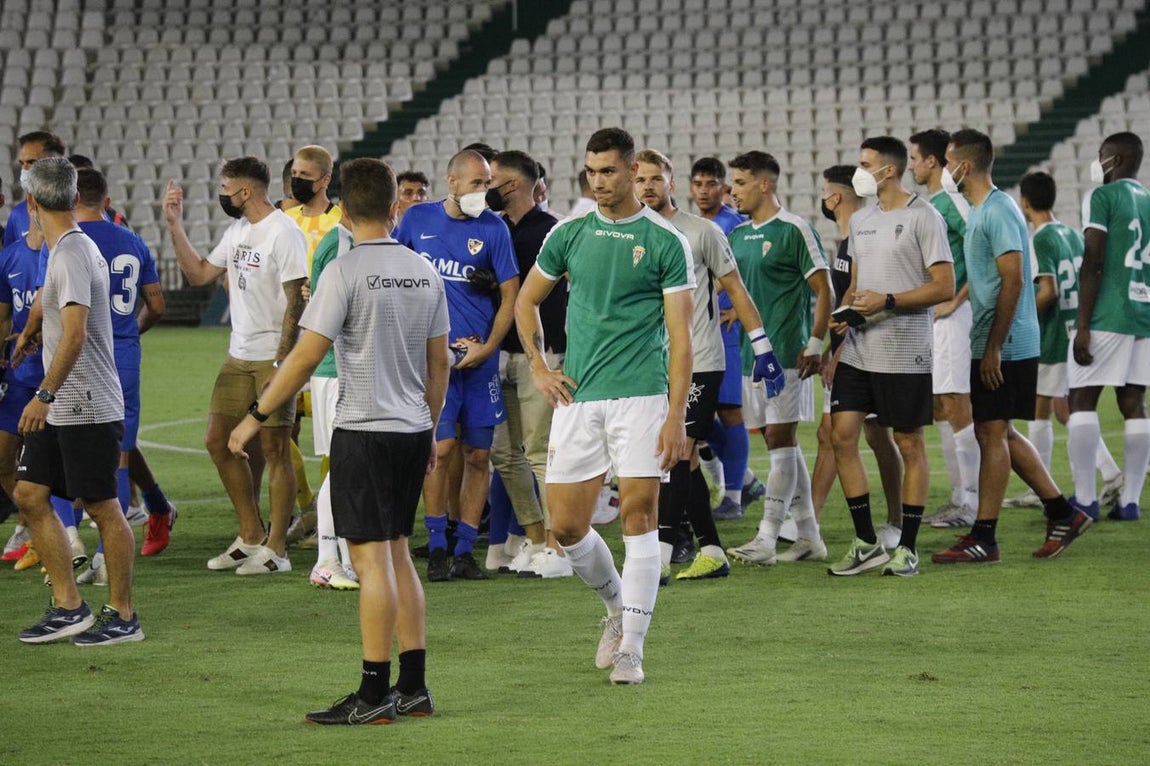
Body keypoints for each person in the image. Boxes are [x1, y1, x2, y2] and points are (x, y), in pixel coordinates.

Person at [228, 158, 448, 725]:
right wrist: (427, 426)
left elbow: (304, 357)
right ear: (395, 206)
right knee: (398, 554)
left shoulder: (345, 272)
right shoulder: (425, 272)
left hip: (364, 431)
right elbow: (438, 366)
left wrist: (255, 415)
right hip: (410, 430)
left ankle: (373, 695)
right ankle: (415, 687)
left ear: (344, 211)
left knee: (371, 560)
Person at [514, 127, 694, 685]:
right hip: (580, 397)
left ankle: (633, 649)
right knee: (565, 528)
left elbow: (681, 339)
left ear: (632, 170)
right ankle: (617, 609)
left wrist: (675, 415)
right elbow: (526, 301)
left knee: (640, 517)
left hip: (642, 395)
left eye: (609, 171)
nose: (598, 182)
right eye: (591, 172)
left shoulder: (666, 241)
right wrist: (540, 366)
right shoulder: (568, 234)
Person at [932, 129, 1091, 564]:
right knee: (998, 430)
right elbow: (988, 278)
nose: (946, 170)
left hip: (1006, 340)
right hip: (998, 337)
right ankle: (1061, 512)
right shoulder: (988, 210)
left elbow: (1014, 278)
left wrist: (994, 347)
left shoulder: (997, 211)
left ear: (964, 165)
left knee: (992, 432)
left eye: (948, 161)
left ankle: (986, 535)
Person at [634, 148, 783, 582]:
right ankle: (712, 549)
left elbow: (735, 288)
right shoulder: (632, 235)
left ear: (671, 183)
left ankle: (660, 554)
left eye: (655, 178)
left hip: (701, 358)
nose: (647, 186)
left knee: (678, 451)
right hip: (651, 365)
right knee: (685, 460)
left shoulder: (702, 232)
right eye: (640, 179)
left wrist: (761, 346)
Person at [13, 157, 140, 645]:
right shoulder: (69, 246)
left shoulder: (69, 252)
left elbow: (76, 334)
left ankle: (124, 616)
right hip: (67, 404)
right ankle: (69, 607)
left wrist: (44, 393)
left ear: (32, 203)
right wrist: (31, 328)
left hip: (83, 402)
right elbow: (57, 301)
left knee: (102, 505)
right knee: (29, 494)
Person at [163, 157, 307, 575]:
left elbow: (296, 301)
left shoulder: (284, 233)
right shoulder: (239, 229)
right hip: (238, 354)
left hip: (271, 357)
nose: (222, 195)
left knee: (277, 449)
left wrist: (283, 363)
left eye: (226, 188)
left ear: (245, 192)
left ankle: (277, 550)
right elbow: (200, 275)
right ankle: (250, 534)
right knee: (216, 440)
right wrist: (175, 225)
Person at [827, 136, 955, 578]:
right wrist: (843, 317)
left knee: (908, 443)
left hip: (905, 353)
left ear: (889, 170)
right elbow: (858, 286)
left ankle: (908, 547)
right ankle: (865, 541)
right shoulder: (861, 221)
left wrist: (889, 300)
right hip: (861, 351)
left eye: (865, 164)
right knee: (842, 435)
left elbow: (944, 287)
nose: (859, 170)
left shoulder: (925, 217)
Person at [395, 150, 520, 582]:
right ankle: (435, 545)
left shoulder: (495, 228)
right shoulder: (416, 221)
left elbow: (511, 296)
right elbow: (394, 278)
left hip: (480, 365)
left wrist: (486, 349)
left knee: (478, 453)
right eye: (476, 184)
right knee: (440, 451)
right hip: (434, 364)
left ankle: (465, 549)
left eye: (487, 184)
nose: (483, 192)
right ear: (452, 182)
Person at [724, 151, 832, 567]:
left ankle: (767, 537)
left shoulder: (794, 230)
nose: (733, 191)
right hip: (752, 354)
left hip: (787, 352)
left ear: (764, 184)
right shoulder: (738, 236)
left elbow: (824, 290)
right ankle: (809, 537)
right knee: (777, 441)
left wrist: (816, 343)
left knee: (780, 440)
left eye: (740, 182)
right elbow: (747, 290)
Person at [70, 169, 171, 586]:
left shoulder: (69, 243)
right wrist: (129, 331)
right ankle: (100, 553)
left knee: (71, 444)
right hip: (123, 355)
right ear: (107, 200)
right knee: (120, 452)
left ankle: (77, 544)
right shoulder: (131, 241)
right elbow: (158, 305)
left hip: (78, 354)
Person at [810, 166, 905, 552]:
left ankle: (894, 523)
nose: (822, 199)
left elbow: (861, 298)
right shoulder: (852, 237)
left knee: (883, 437)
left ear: (834, 197)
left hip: (871, 352)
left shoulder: (862, 238)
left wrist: (838, 355)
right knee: (840, 434)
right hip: (852, 351)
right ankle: (809, 523)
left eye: (824, 192)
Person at [1015, 172, 1124, 508]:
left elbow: (1048, 291)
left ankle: (1109, 472)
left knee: (1061, 410)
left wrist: (1019, 316)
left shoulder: (1041, 239)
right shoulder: (1073, 235)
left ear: (1025, 203)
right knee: (1043, 407)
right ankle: (1041, 484)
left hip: (1053, 335)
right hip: (1075, 328)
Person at [485, 150, 569, 577]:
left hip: (543, 354)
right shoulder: (491, 228)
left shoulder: (552, 231)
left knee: (540, 451)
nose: (485, 187)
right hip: (498, 355)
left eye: (491, 180)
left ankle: (558, 544)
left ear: (512, 185)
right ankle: (536, 538)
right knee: (503, 452)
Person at [1066, 131, 1150, 522]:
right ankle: (1130, 501)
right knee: (1134, 403)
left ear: (1113, 160)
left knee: (1081, 399)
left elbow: (1094, 260)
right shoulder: (1149, 201)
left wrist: (1083, 325)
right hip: (1144, 314)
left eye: (1101, 156)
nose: (1097, 164)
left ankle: (1085, 500)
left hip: (1109, 313)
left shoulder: (1101, 197)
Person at [908, 129, 980, 529]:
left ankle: (969, 501)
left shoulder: (952, 202)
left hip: (955, 317)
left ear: (932, 162)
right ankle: (959, 496)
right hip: (935, 318)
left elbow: (982, 247)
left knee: (956, 406)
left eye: (916, 159)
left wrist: (960, 299)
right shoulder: (929, 204)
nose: (912, 167)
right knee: (940, 406)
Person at [688, 156, 762, 519]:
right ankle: (745, 479)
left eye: (711, 183)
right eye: (698, 184)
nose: (704, 191)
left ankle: (734, 496)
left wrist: (734, 306)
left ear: (724, 187)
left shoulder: (733, 224)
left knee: (729, 410)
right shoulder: (691, 226)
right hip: (697, 331)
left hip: (727, 333)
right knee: (697, 418)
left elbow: (746, 272)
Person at [283, 145, 343, 538]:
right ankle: (306, 503)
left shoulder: (341, 223)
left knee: (331, 435)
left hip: (326, 345)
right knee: (280, 429)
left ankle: (325, 513)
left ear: (324, 180)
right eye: (294, 174)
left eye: (306, 175)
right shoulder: (283, 220)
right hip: (287, 338)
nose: (297, 181)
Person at [304, 212, 359, 591]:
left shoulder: (347, 242)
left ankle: (348, 559)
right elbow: (329, 314)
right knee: (343, 467)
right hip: (336, 368)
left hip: (344, 368)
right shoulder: (338, 243)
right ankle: (327, 559)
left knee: (349, 467)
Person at [0, 220, 50, 568]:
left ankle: (50, 534)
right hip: (18, 376)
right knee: (3, 459)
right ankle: (31, 524)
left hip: (56, 377)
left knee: (52, 466)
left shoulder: (66, 251)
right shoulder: (10, 257)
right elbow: (3, 318)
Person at [3, 132, 66, 249]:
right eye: (22, 163)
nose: (24, 169)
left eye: (32, 162)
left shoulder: (78, 212)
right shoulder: (17, 215)